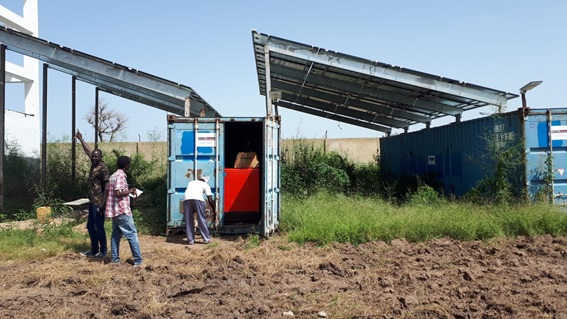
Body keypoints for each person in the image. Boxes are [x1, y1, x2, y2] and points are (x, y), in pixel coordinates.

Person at [75, 130, 109, 258]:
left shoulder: (103, 168)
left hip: (99, 202)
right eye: (93, 156)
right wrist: (81, 139)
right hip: (92, 200)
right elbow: (88, 151)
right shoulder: (94, 164)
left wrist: (104, 203)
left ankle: (103, 250)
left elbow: (107, 186)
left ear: (101, 157)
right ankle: (94, 249)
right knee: (90, 226)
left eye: (96, 156)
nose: (94, 157)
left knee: (98, 227)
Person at [105, 156, 143, 267]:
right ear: (126, 165)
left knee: (116, 236)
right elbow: (118, 193)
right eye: (129, 164)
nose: (129, 166)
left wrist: (128, 191)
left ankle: (115, 259)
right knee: (132, 234)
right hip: (122, 210)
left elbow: (115, 191)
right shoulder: (121, 176)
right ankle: (138, 261)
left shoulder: (113, 176)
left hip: (115, 211)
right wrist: (130, 191)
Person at [183, 175, 215, 245]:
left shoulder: (191, 182)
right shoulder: (206, 185)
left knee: (188, 220)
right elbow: (210, 199)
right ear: (205, 181)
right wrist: (214, 209)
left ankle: (190, 240)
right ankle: (206, 238)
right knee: (201, 219)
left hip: (186, 199)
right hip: (198, 200)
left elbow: (190, 193)